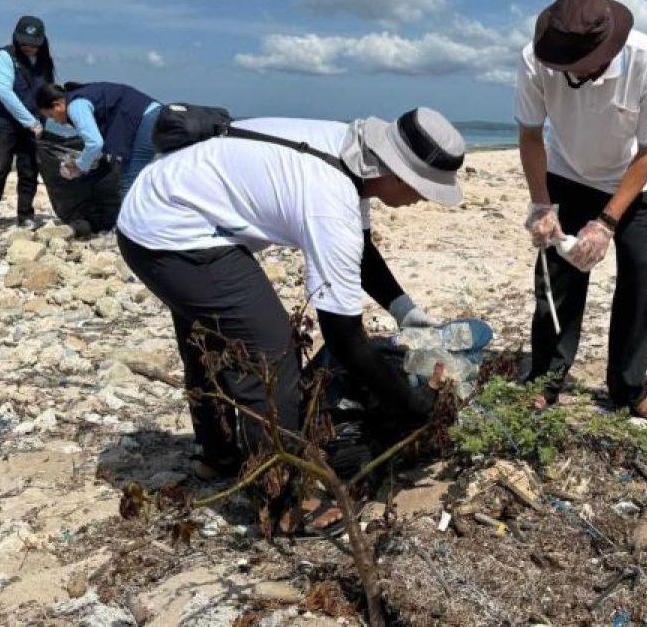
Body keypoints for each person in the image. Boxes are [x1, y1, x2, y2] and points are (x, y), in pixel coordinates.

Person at [115, 107, 464, 478]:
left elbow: (361, 251)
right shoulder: (331, 203)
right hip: (170, 230)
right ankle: (275, 493)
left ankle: (218, 457)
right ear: (396, 174)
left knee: (209, 341)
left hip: (162, 205)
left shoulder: (350, 150)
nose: (423, 200)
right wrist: (413, 403)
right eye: (424, 189)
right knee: (271, 350)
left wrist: (403, 309)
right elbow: (344, 338)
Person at [516, 0, 647, 420]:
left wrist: (606, 223)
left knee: (639, 275)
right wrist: (540, 204)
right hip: (567, 171)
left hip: (635, 179)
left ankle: (628, 387)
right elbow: (531, 135)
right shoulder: (536, 60)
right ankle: (546, 380)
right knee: (558, 273)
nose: (564, 74)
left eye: (574, 69)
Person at [0, 16, 55, 229]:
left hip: (33, 122)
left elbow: (47, 91)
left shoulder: (44, 61)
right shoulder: (4, 56)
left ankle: (25, 214)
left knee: (30, 168)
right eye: (24, 42)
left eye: (33, 43)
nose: (29, 47)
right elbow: (4, 93)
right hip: (3, 121)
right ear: (15, 38)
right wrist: (30, 122)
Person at [37, 82, 162, 200]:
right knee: (139, 179)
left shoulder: (75, 107)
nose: (55, 121)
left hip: (146, 121)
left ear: (58, 105)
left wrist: (78, 166)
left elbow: (95, 144)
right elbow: (97, 147)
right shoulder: (81, 98)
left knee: (129, 183)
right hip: (150, 116)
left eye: (51, 116)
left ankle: (129, 222)